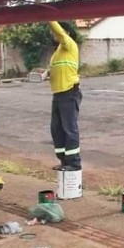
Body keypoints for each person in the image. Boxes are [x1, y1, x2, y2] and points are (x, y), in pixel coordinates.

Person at [48, 21, 82, 171]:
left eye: (56, 32)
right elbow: (54, 69)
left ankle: (74, 164)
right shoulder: (57, 52)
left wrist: (50, 18)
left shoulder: (70, 44)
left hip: (69, 92)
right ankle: (64, 161)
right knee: (56, 129)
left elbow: (60, 33)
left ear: (66, 33)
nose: (53, 35)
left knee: (69, 129)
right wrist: (45, 74)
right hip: (58, 94)